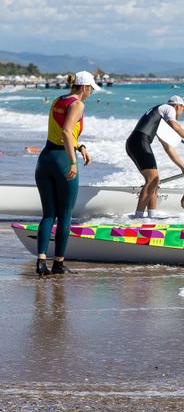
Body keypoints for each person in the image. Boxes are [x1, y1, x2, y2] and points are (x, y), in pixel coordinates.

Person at [34, 71, 100, 276]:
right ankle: (59, 263)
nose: (90, 93)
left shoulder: (57, 100)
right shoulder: (78, 104)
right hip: (63, 160)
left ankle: (41, 261)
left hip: (45, 159)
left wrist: (81, 147)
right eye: (90, 89)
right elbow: (66, 132)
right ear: (84, 88)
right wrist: (73, 161)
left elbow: (62, 132)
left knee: (48, 214)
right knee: (64, 216)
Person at [125, 95, 184, 219]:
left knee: (154, 181)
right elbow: (175, 125)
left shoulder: (159, 118)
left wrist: (183, 168)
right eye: (183, 109)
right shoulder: (168, 108)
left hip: (134, 143)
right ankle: (138, 217)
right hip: (139, 142)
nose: (182, 112)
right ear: (178, 106)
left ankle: (151, 216)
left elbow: (168, 148)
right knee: (153, 180)